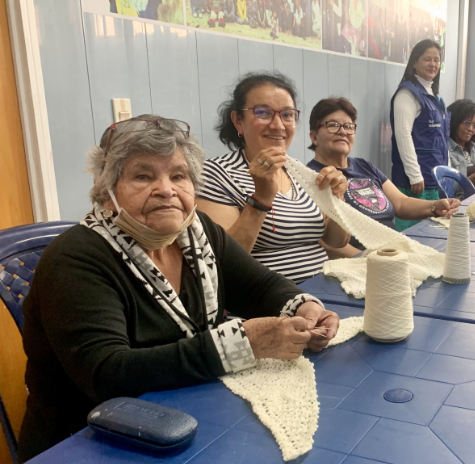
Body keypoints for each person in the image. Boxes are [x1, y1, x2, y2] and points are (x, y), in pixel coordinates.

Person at [16, 116, 339, 462]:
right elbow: (108, 374)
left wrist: (303, 306)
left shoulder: (196, 232)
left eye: (178, 176)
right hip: (94, 441)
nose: (166, 189)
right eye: (143, 176)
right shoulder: (75, 259)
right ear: (107, 191)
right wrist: (240, 345)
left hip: (191, 412)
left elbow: (259, 285)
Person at [196, 72, 350, 283]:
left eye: (287, 115)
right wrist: (261, 199)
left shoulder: (299, 174)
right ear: (238, 121)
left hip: (324, 290)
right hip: (271, 298)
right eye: (263, 112)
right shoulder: (215, 174)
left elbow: (336, 241)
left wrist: (337, 200)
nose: (278, 125)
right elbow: (223, 261)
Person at [306, 97, 460, 257]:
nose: (343, 131)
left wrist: (434, 207)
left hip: (393, 250)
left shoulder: (364, 166)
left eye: (348, 126)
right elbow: (327, 244)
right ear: (314, 136)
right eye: (332, 125)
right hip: (366, 260)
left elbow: (401, 203)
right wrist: (371, 261)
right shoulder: (311, 178)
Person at [390, 39, 450, 231]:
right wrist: (414, 175)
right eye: (427, 59)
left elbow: (442, 140)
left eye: (437, 60)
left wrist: (447, 171)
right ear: (414, 62)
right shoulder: (407, 94)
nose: (433, 64)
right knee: (413, 234)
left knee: (434, 234)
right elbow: (402, 135)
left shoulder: (436, 98)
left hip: (434, 179)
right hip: (416, 182)